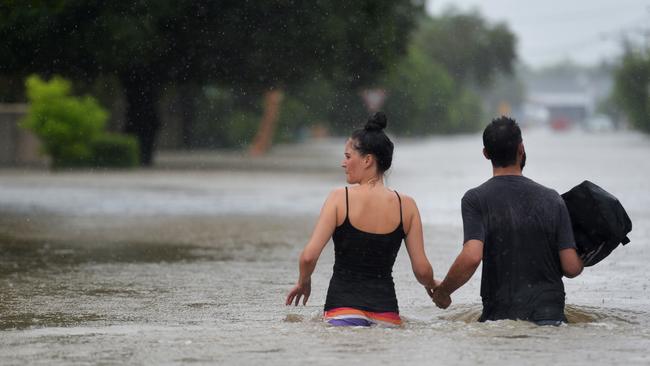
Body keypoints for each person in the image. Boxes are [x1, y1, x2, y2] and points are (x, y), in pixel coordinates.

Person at [285, 112, 437, 327]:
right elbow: (422, 271)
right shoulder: (407, 206)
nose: (343, 163)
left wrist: (303, 282)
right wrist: (433, 284)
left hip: (342, 311)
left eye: (348, 157)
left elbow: (308, 257)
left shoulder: (340, 198)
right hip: (387, 315)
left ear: (367, 160)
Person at [431, 116, 584, 325]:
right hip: (551, 316)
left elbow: (472, 256)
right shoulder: (553, 199)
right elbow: (572, 267)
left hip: (500, 314)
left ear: (485, 154)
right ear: (521, 149)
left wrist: (443, 291)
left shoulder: (475, 199)